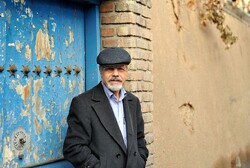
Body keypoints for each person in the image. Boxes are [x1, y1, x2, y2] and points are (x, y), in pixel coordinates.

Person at [63, 47, 149, 168]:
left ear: (126, 72)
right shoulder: (83, 103)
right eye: (109, 69)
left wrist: (139, 161)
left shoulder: (133, 101)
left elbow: (139, 139)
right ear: (101, 71)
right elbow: (73, 147)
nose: (115, 73)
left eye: (120, 69)